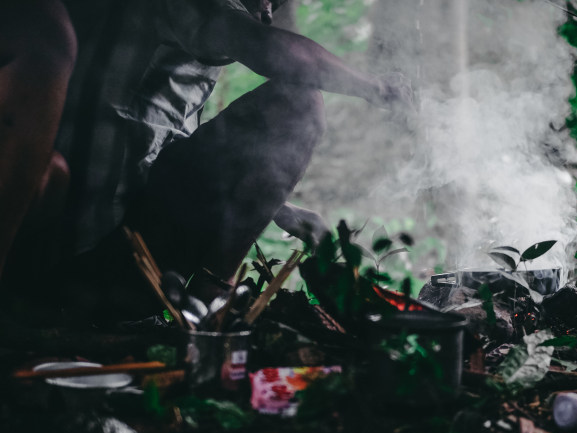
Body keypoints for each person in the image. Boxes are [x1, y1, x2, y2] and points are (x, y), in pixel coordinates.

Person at [0, 0, 415, 323]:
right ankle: (213, 298)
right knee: (297, 103)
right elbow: (274, 53)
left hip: (118, 249)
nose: (270, 9)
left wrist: (271, 206)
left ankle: (206, 303)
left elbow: (154, 145)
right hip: (91, 261)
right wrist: (378, 89)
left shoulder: (176, 56)